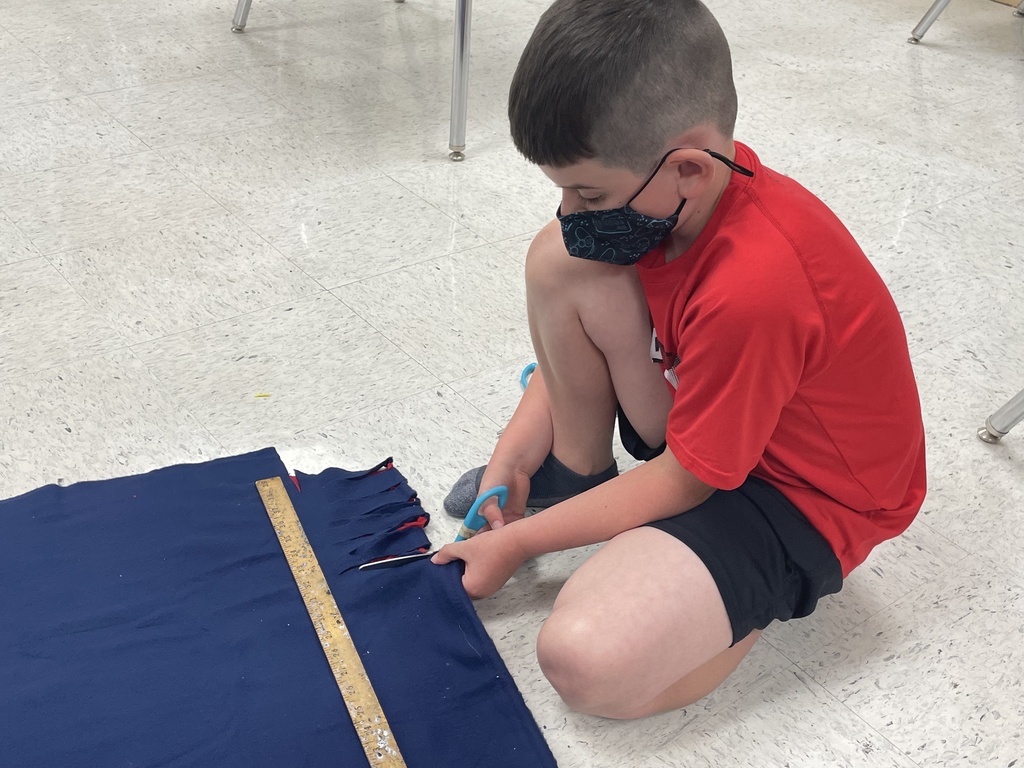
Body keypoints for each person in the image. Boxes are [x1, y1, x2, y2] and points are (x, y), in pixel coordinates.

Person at [431, 0, 927, 721]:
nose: (571, 209)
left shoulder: (756, 288)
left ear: (688, 166)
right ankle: (575, 471)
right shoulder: (689, 197)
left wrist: (520, 546)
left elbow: (691, 479)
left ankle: (753, 594)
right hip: (719, 416)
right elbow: (646, 351)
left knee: (586, 662)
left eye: (588, 191)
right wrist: (516, 456)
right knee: (559, 258)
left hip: (805, 496)